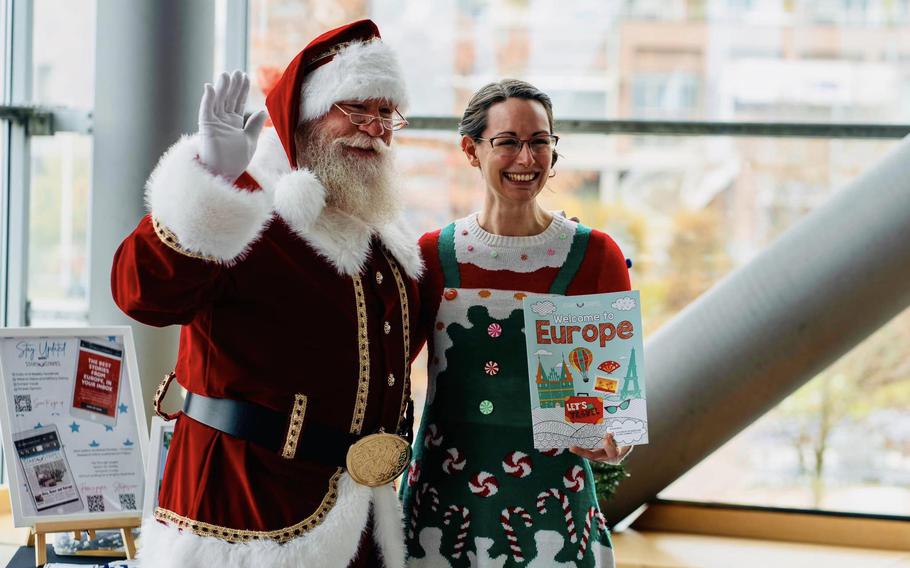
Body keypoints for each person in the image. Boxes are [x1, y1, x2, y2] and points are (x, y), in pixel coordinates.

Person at [111, 20, 424, 568]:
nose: (374, 128)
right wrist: (212, 180)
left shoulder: (385, 241)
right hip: (241, 515)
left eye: (386, 113)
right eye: (355, 109)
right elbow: (142, 294)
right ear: (306, 114)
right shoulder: (247, 204)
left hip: (363, 519)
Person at [401, 80, 632, 567]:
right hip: (444, 497)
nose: (527, 160)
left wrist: (615, 437)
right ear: (471, 150)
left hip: (552, 503)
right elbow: (388, 370)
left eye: (540, 142)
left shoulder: (594, 256)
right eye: (507, 142)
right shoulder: (431, 254)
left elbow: (614, 395)